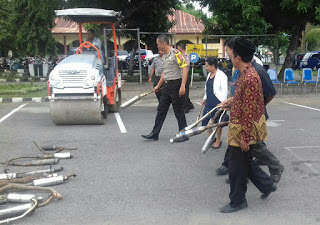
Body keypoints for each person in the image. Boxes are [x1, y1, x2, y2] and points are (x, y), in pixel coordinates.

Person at [219, 38, 277, 213]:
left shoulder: (250, 77)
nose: (230, 58)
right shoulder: (247, 72)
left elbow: (251, 110)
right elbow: (245, 100)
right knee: (244, 162)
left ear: (238, 57)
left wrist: (246, 137)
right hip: (240, 127)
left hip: (243, 130)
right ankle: (267, 185)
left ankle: (238, 201)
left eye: (231, 55)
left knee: (236, 168)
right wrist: (232, 100)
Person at [141, 35, 188, 141]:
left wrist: (183, 86)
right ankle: (155, 133)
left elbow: (184, 68)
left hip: (176, 85)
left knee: (178, 111)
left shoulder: (176, 53)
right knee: (161, 109)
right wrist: (158, 85)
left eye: (158, 44)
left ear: (163, 43)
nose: (157, 46)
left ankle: (184, 134)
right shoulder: (165, 56)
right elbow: (164, 72)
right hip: (166, 86)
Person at [201, 57, 228, 149]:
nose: (206, 68)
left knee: (217, 123)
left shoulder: (222, 76)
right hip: (209, 101)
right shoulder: (209, 75)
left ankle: (218, 140)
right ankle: (211, 137)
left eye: (207, 66)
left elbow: (224, 91)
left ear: (213, 66)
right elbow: (207, 88)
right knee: (206, 122)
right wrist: (204, 98)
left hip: (217, 102)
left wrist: (223, 103)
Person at [177, 43, 194, 113]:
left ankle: (186, 107)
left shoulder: (186, 55)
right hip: (180, 75)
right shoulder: (179, 55)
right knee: (182, 91)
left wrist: (181, 64)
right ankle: (189, 104)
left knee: (185, 91)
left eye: (178, 47)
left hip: (186, 74)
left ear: (180, 47)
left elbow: (187, 64)